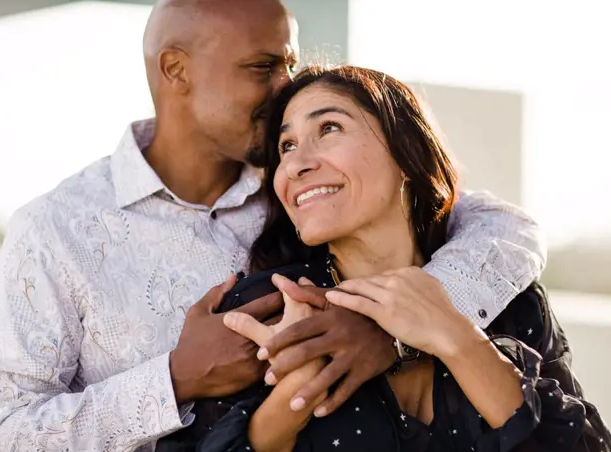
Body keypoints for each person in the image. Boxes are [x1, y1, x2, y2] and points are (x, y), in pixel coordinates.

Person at [0, 1, 546, 451]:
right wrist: (172, 380)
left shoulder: (310, 185)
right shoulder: (54, 231)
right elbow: (4, 434)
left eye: (290, 63)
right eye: (262, 67)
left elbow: (506, 230)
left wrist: (390, 329)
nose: (284, 88)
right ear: (177, 70)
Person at [194, 65, 611, 452]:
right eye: (287, 146)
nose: (297, 164)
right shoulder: (265, 310)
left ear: (406, 153)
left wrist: (459, 339)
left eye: (329, 127)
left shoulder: (512, 303)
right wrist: (298, 393)